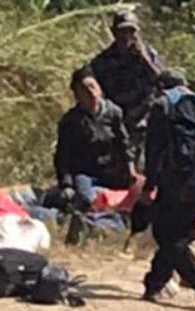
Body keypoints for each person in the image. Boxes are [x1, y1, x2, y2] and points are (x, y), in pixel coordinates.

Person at [141, 71, 195, 303]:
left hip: (176, 179)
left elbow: (153, 149)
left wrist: (150, 184)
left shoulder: (162, 105)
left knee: (164, 233)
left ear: (160, 87)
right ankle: (154, 285)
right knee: (179, 234)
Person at [51, 67, 136, 210]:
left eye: (92, 86)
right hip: (86, 173)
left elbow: (124, 144)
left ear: (99, 88)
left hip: (112, 171)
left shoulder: (113, 112)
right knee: (85, 200)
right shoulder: (71, 121)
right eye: (84, 90)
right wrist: (66, 184)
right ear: (77, 95)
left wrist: (131, 170)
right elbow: (63, 156)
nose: (91, 93)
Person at [91, 8, 163, 140]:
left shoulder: (149, 54)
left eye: (131, 31)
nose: (126, 36)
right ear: (114, 32)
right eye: (122, 31)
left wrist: (144, 59)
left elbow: (160, 80)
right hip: (117, 122)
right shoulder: (102, 61)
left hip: (145, 120)